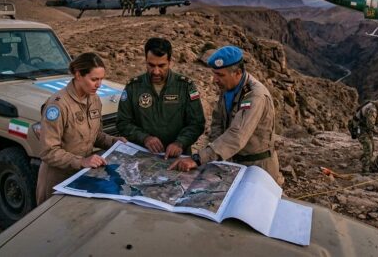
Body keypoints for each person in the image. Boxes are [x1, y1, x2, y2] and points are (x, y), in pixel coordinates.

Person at [169, 46, 284, 185]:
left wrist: (198, 158)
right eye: (214, 74)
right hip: (233, 162)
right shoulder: (229, 86)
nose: (215, 80)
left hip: (257, 168)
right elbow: (218, 120)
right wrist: (215, 155)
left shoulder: (254, 96)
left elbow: (236, 136)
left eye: (220, 75)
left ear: (238, 73)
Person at [36, 52, 126, 204]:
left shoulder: (94, 99)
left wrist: (114, 141)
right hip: (57, 181)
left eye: (101, 79)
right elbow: (48, 151)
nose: (99, 85)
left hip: (82, 177)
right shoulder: (58, 105)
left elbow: (95, 135)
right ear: (78, 75)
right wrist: (82, 161)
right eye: (94, 79)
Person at [116, 38, 205, 158]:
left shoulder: (185, 86)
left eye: (161, 65)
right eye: (151, 65)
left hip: (177, 158)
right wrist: (145, 138)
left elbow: (196, 123)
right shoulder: (133, 86)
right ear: (146, 61)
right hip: (142, 156)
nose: (156, 71)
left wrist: (180, 143)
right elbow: (123, 123)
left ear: (169, 62)